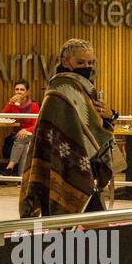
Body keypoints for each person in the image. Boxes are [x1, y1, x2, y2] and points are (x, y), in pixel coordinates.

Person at [20, 39, 118, 216]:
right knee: (79, 224)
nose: (87, 66)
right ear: (66, 62)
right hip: (61, 163)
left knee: (93, 223)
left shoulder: (86, 89)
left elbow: (94, 124)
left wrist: (110, 114)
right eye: (80, 62)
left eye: (90, 62)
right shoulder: (60, 89)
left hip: (86, 164)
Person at [1, 80, 40, 175]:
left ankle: (10, 166)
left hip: (31, 134)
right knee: (25, 146)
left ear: (27, 92)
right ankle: (21, 179)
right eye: (16, 89)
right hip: (18, 137)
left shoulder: (33, 105)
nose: (19, 92)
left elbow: (37, 125)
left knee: (22, 138)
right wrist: (10, 103)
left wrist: (25, 130)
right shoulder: (12, 104)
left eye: (22, 89)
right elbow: (2, 116)